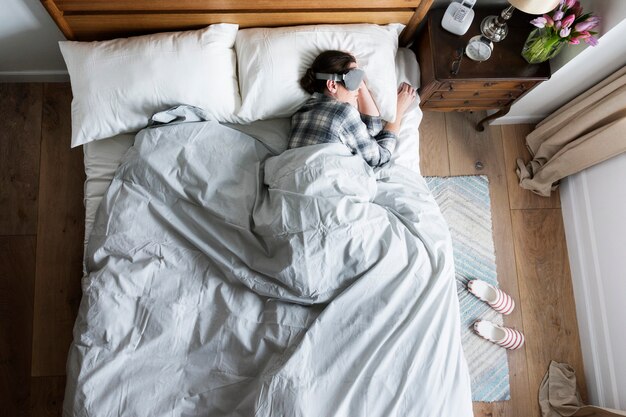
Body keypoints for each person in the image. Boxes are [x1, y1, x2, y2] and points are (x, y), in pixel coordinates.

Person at [288, 50, 417, 167]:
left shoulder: (299, 114)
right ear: (332, 84)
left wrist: (356, 79)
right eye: (354, 80)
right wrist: (399, 110)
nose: (360, 87)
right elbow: (379, 157)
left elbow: (369, 133)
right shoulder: (343, 112)